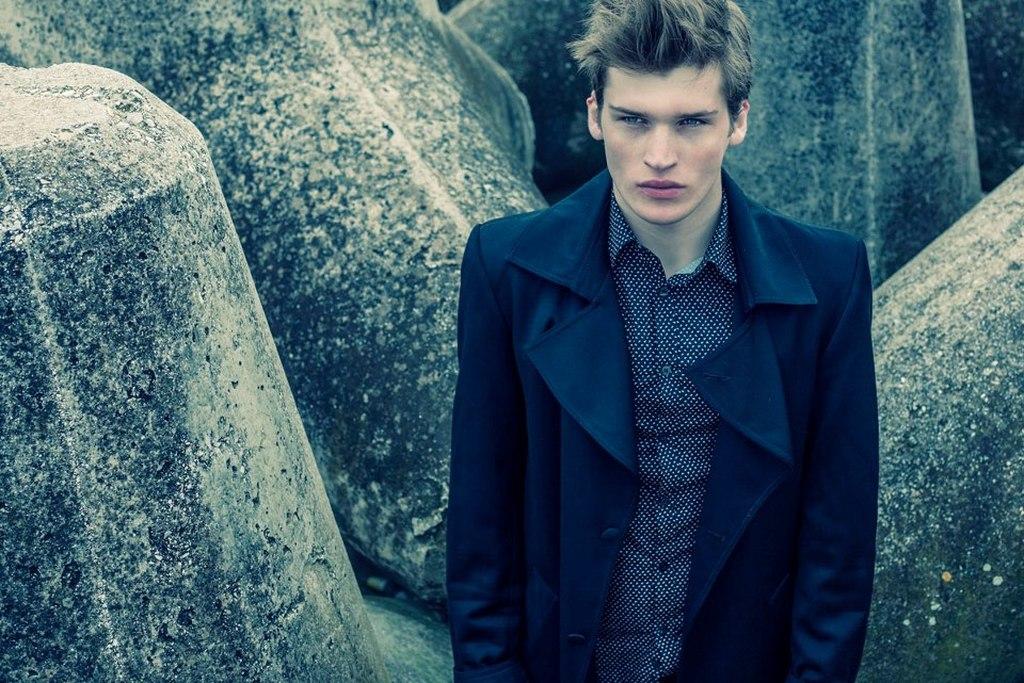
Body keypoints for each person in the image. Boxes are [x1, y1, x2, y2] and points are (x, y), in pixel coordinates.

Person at [445, 0, 880, 681]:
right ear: (595, 115)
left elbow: (839, 544)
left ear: (738, 119)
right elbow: (481, 520)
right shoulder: (507, 269)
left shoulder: (829, 281)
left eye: (691, 122)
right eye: (633, 119)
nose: (659, 156)